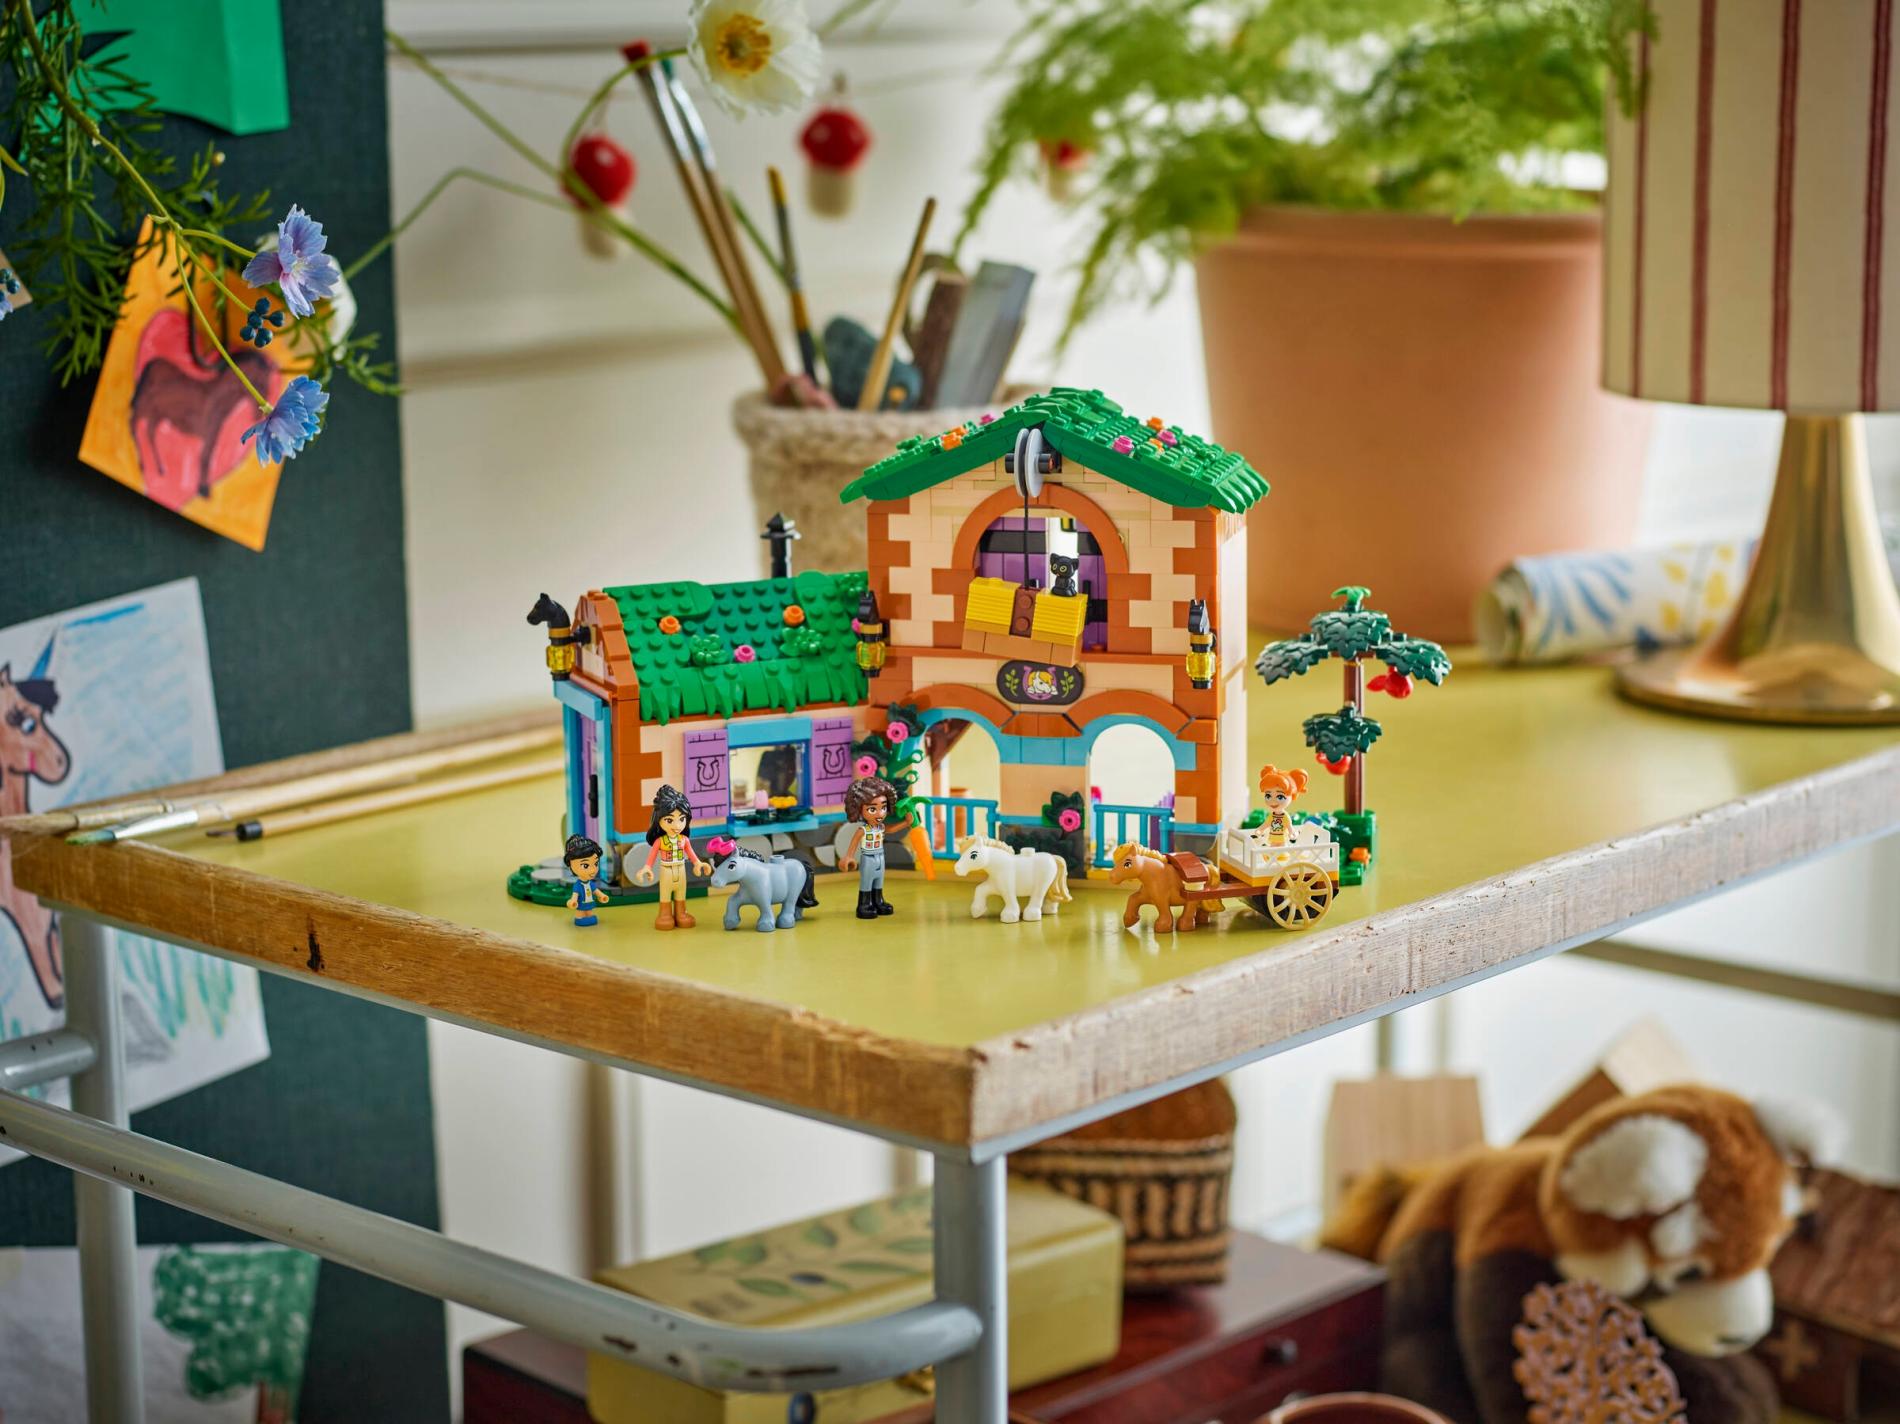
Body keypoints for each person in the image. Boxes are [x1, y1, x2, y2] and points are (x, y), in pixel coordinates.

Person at [631, 785, 712, 930]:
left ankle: (681, 913)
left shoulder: (684, 840)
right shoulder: (660, 841)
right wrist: (647, 868)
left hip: (681, 870)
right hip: (666, 871)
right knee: (665, 894)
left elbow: (691, 854)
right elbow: (651, 857)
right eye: (669, 820)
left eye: (682, 819)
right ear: (658, 820)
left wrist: (698, 863)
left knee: (681, 893)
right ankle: (665, 914)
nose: (677, 825)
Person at [840, 776, 910, 920]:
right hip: (868, 858)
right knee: (867, 881)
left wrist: (906, 822)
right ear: (859, 810)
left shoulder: (880, 827)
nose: (880, 813)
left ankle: (878, 901)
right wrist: (848, 857)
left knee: (879, 881)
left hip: (880, 857)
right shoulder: (863, 830)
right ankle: (864, 905)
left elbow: (891, 829)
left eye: (883, 808)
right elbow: (854, 843)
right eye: (872, 809)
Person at [563, 834, 608, 928]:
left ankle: (589, 917)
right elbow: (575, 895)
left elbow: (596, 891)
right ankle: (580, 918)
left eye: (596, 863)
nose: (593, 870)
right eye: (585, 866)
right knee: (580, 912)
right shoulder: (578, 885)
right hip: (581, 904)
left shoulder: (590, 883)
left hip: (589, 902)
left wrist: (602, 896)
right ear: (571, 865)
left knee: (589, 912)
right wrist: (573, 901)